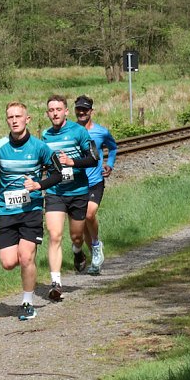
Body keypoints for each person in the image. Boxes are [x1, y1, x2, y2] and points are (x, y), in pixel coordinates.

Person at [0, 102, 61, 321]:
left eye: (19, 116)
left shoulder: (40, 147)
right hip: (5, 211)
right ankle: (26, 267)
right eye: (11, 117)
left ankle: (27, 302)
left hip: (31, 210)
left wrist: (39, 185)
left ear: (27, 119)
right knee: (9, 263)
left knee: (26, 257)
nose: (15, 120)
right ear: (7, 120)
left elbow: (58, 173)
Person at [42, 95, 99, 301]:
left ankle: (77, 251)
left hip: (78, 192)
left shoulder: (79, 132)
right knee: (54, 235)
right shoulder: (45, 135)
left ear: (66, 111)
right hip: (55, 193)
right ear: (48, 114)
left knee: (76, 237)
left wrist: (72, 162)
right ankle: (56, 283)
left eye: (58, 109)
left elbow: (94, 158)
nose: (55, 113)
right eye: (51, 110)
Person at [74, 95, 117, 276]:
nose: (82, 112)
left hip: (95, 181)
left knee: (89, 214)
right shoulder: (71, 131)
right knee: (82, 226)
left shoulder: (101, 132)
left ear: (91, 111)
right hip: (76, 184)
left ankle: (97, 244)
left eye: (85, 109)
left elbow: (113, 147)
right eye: (79, 109)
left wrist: (110, 164)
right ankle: (95, 259)